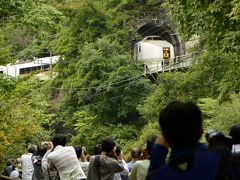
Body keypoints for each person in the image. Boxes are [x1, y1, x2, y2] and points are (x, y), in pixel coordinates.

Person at [147, 101, 225, 180]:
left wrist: (158, 149)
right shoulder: (222, 160)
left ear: (166, 138)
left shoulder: (161, 175)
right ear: (200, 132)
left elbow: (153, 175)